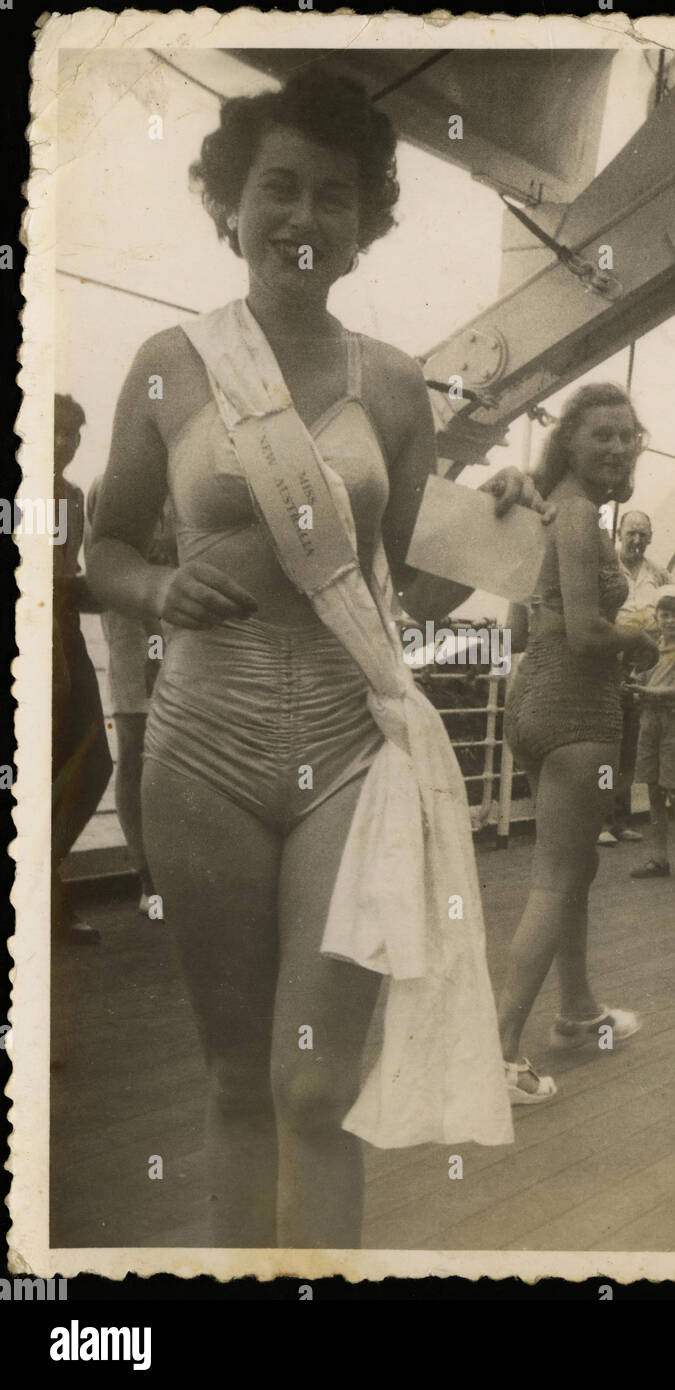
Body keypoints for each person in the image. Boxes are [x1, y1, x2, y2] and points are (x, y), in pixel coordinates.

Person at [86, 72, 550, 1248]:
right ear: (229, 206)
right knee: (242, 1082)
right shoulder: (167, 364)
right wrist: (151, 584)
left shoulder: (394, 383)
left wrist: (507, 510)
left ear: (366, 223)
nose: (302, 217)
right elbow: (100, 544)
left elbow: (379, 588)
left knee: (314, 1090)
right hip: (202, 748)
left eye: (333, 197)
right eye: (276, 189)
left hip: (348, 756)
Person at [499, 384, 658, 1102]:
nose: (619, 447)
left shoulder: (550, 507)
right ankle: (498, 1055)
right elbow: (584, 632)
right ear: (570, 440)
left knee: (574, 870)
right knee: (556, 879)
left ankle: (577, 1012)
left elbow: (523, 628)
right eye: (602, 435)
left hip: (535, 706)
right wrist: (644, 637)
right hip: (578, 717)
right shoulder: (576, 513)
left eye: (627, 436)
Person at [85, 479, 177, 914]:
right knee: (135, 753)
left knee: (186, 758)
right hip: (130, 637)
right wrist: (154, 651)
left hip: (185, 634)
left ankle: (182, 871)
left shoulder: (183, 482)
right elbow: (108, 576)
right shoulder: (108, 488)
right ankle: (148, 878)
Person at [52, 394, 113, 946]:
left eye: (74, 434)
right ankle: (48, 891)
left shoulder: (71, 498)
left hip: (65, 640)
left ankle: (43, 872)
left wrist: (132, 588)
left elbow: (67, 581)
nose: (65, 443)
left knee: (93, 764)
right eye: (55, 431)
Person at [599, 509, 671, 847]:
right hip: (608, 661)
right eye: (632, 532)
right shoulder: (606, 565)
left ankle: (620, 819)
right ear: (620, 533)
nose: (637, 539)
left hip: (640, 665)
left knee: (629, 746)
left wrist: (662, 627)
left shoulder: (658, 573)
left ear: (650, 537)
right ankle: (600, 820)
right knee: (605, 745)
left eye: (643, 533)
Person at [626, 586, 675, 886]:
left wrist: (642, 692)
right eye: (664, 614)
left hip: (674, 720)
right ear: (656, 617)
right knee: (654, 792)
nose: (670, 620)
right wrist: (631, 686)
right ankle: (659, 858)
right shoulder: (649, 649)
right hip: (650, 720)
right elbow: (638, 679)